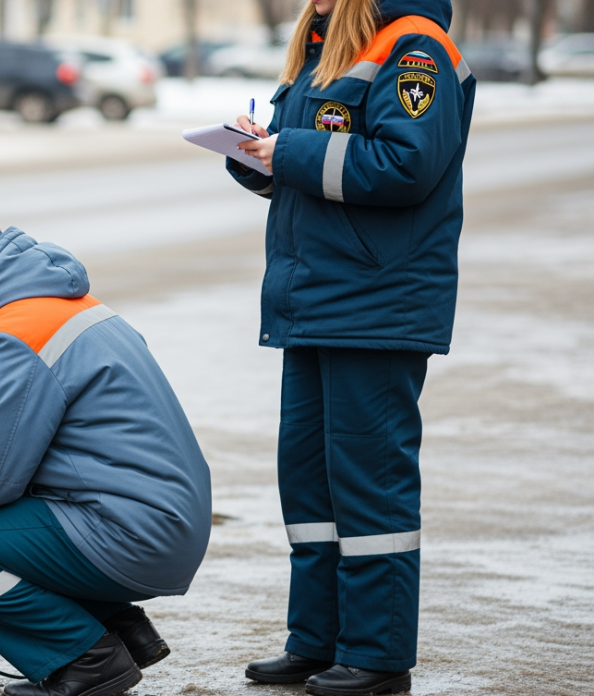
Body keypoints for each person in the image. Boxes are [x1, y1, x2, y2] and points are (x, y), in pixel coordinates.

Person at [0, 208, 212, 696]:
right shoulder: (59, 304)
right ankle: (122, 629)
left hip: (132, 535)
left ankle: (87, 661)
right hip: (161, 521)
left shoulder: (10, 335)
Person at [226, 0, 474, 694]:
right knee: (309, 485)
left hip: (376, 302)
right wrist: (255, 155)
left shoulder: (414, 45)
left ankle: (378, 656)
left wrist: (294, 150)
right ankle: (319, 641)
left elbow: (406, 166)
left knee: (370, 488)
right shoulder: (323, 39)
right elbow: (314, 167)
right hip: (316, 301)